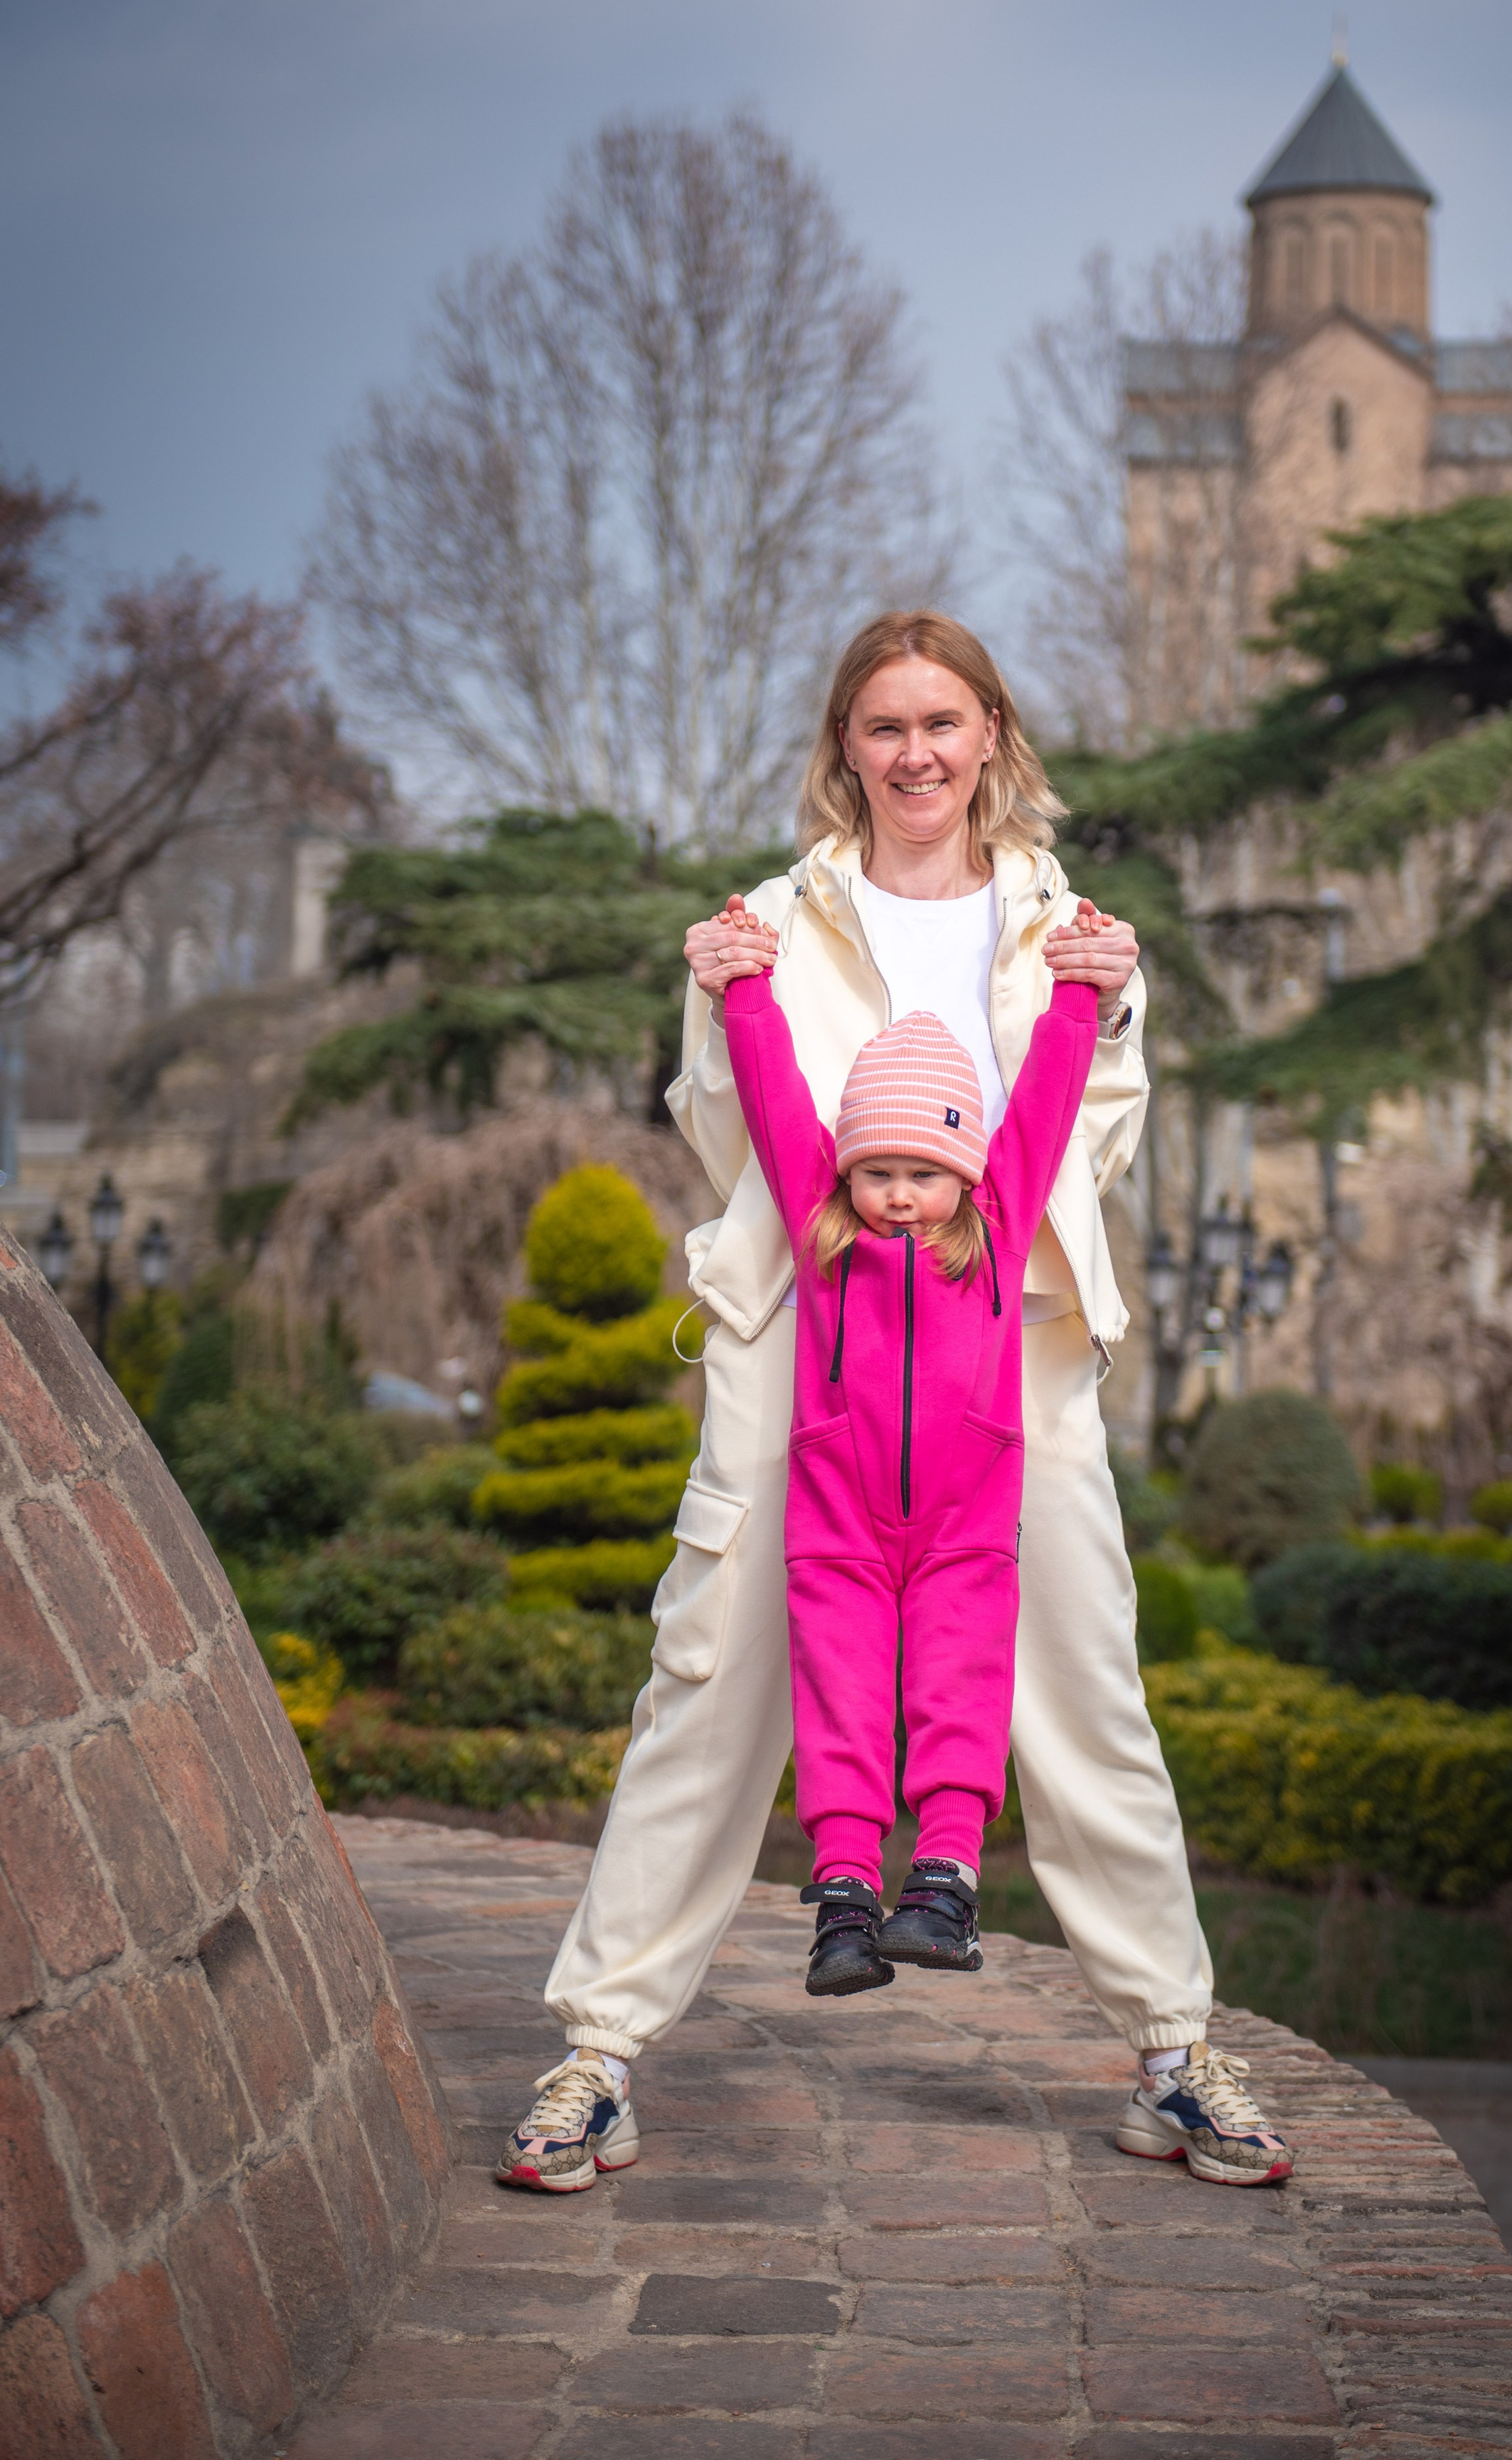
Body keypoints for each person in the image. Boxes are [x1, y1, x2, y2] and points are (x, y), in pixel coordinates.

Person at [497, 608, 1292, 2198]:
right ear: (843, 747)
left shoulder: (1052, 918)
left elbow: (1094, 1147)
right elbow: (732, 1143)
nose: (915, 753)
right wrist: (710, 993)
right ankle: (596, 2053)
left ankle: (1169, 2051)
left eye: (943, 722)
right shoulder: (773, 920)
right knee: (707, 1690)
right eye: (883, 726)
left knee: (1082, 1700)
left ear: (989, 731)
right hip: (806, 1352)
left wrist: (1114, 1005)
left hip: (1009, 1367)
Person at [720, 958, 1099, 1994]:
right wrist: (743, 994)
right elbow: (775, 1100)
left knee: (958, 1691)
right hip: (838, 1524)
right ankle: (843, 1899)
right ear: (845, 1173)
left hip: (966, 1526)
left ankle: (943, 1887)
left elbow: (1045, 1105)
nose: (897, 1194)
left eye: (922, 1172)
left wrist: (1078, 998)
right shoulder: (823, 1236)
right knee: (839, 1700)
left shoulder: (998, 1230)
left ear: (965, 1174)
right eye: (876, 1170)